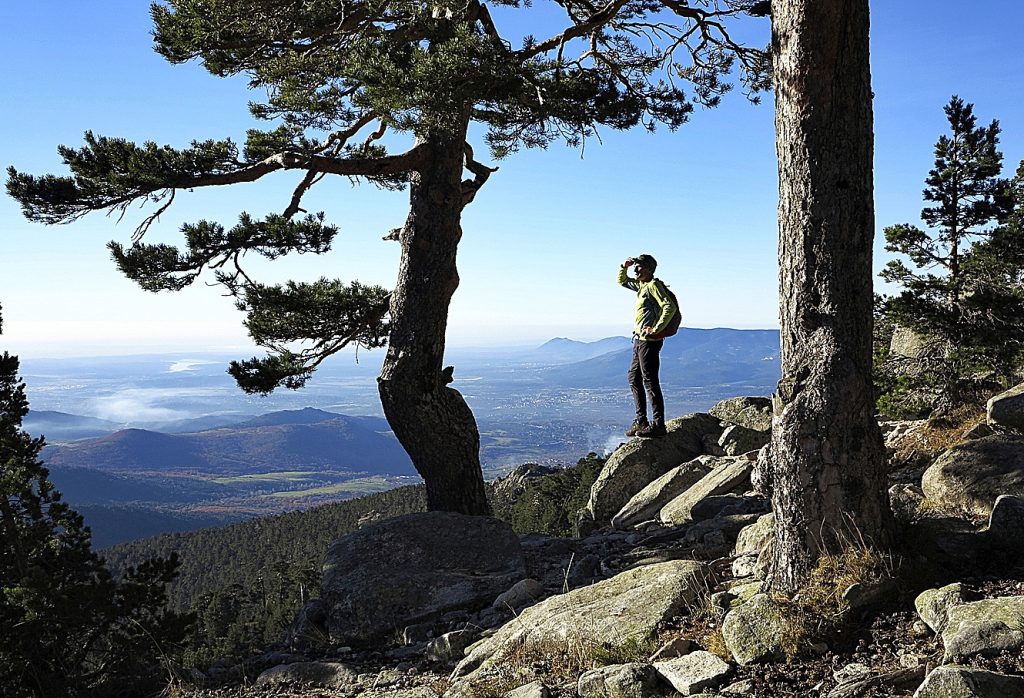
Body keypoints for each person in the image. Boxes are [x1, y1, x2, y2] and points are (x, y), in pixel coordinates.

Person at [618, 254, 677, 438]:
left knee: (650, 381)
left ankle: (658, 425)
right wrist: (623, 266)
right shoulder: (642, 286)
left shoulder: (654, 286)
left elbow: (669, 307)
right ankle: (641, 421)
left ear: (649, 269)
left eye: (639, 267)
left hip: (649, 342)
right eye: (635, 267)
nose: (635, 270)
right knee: (633, 378)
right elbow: (622, 281)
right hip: (639, 341)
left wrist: (656, 329)